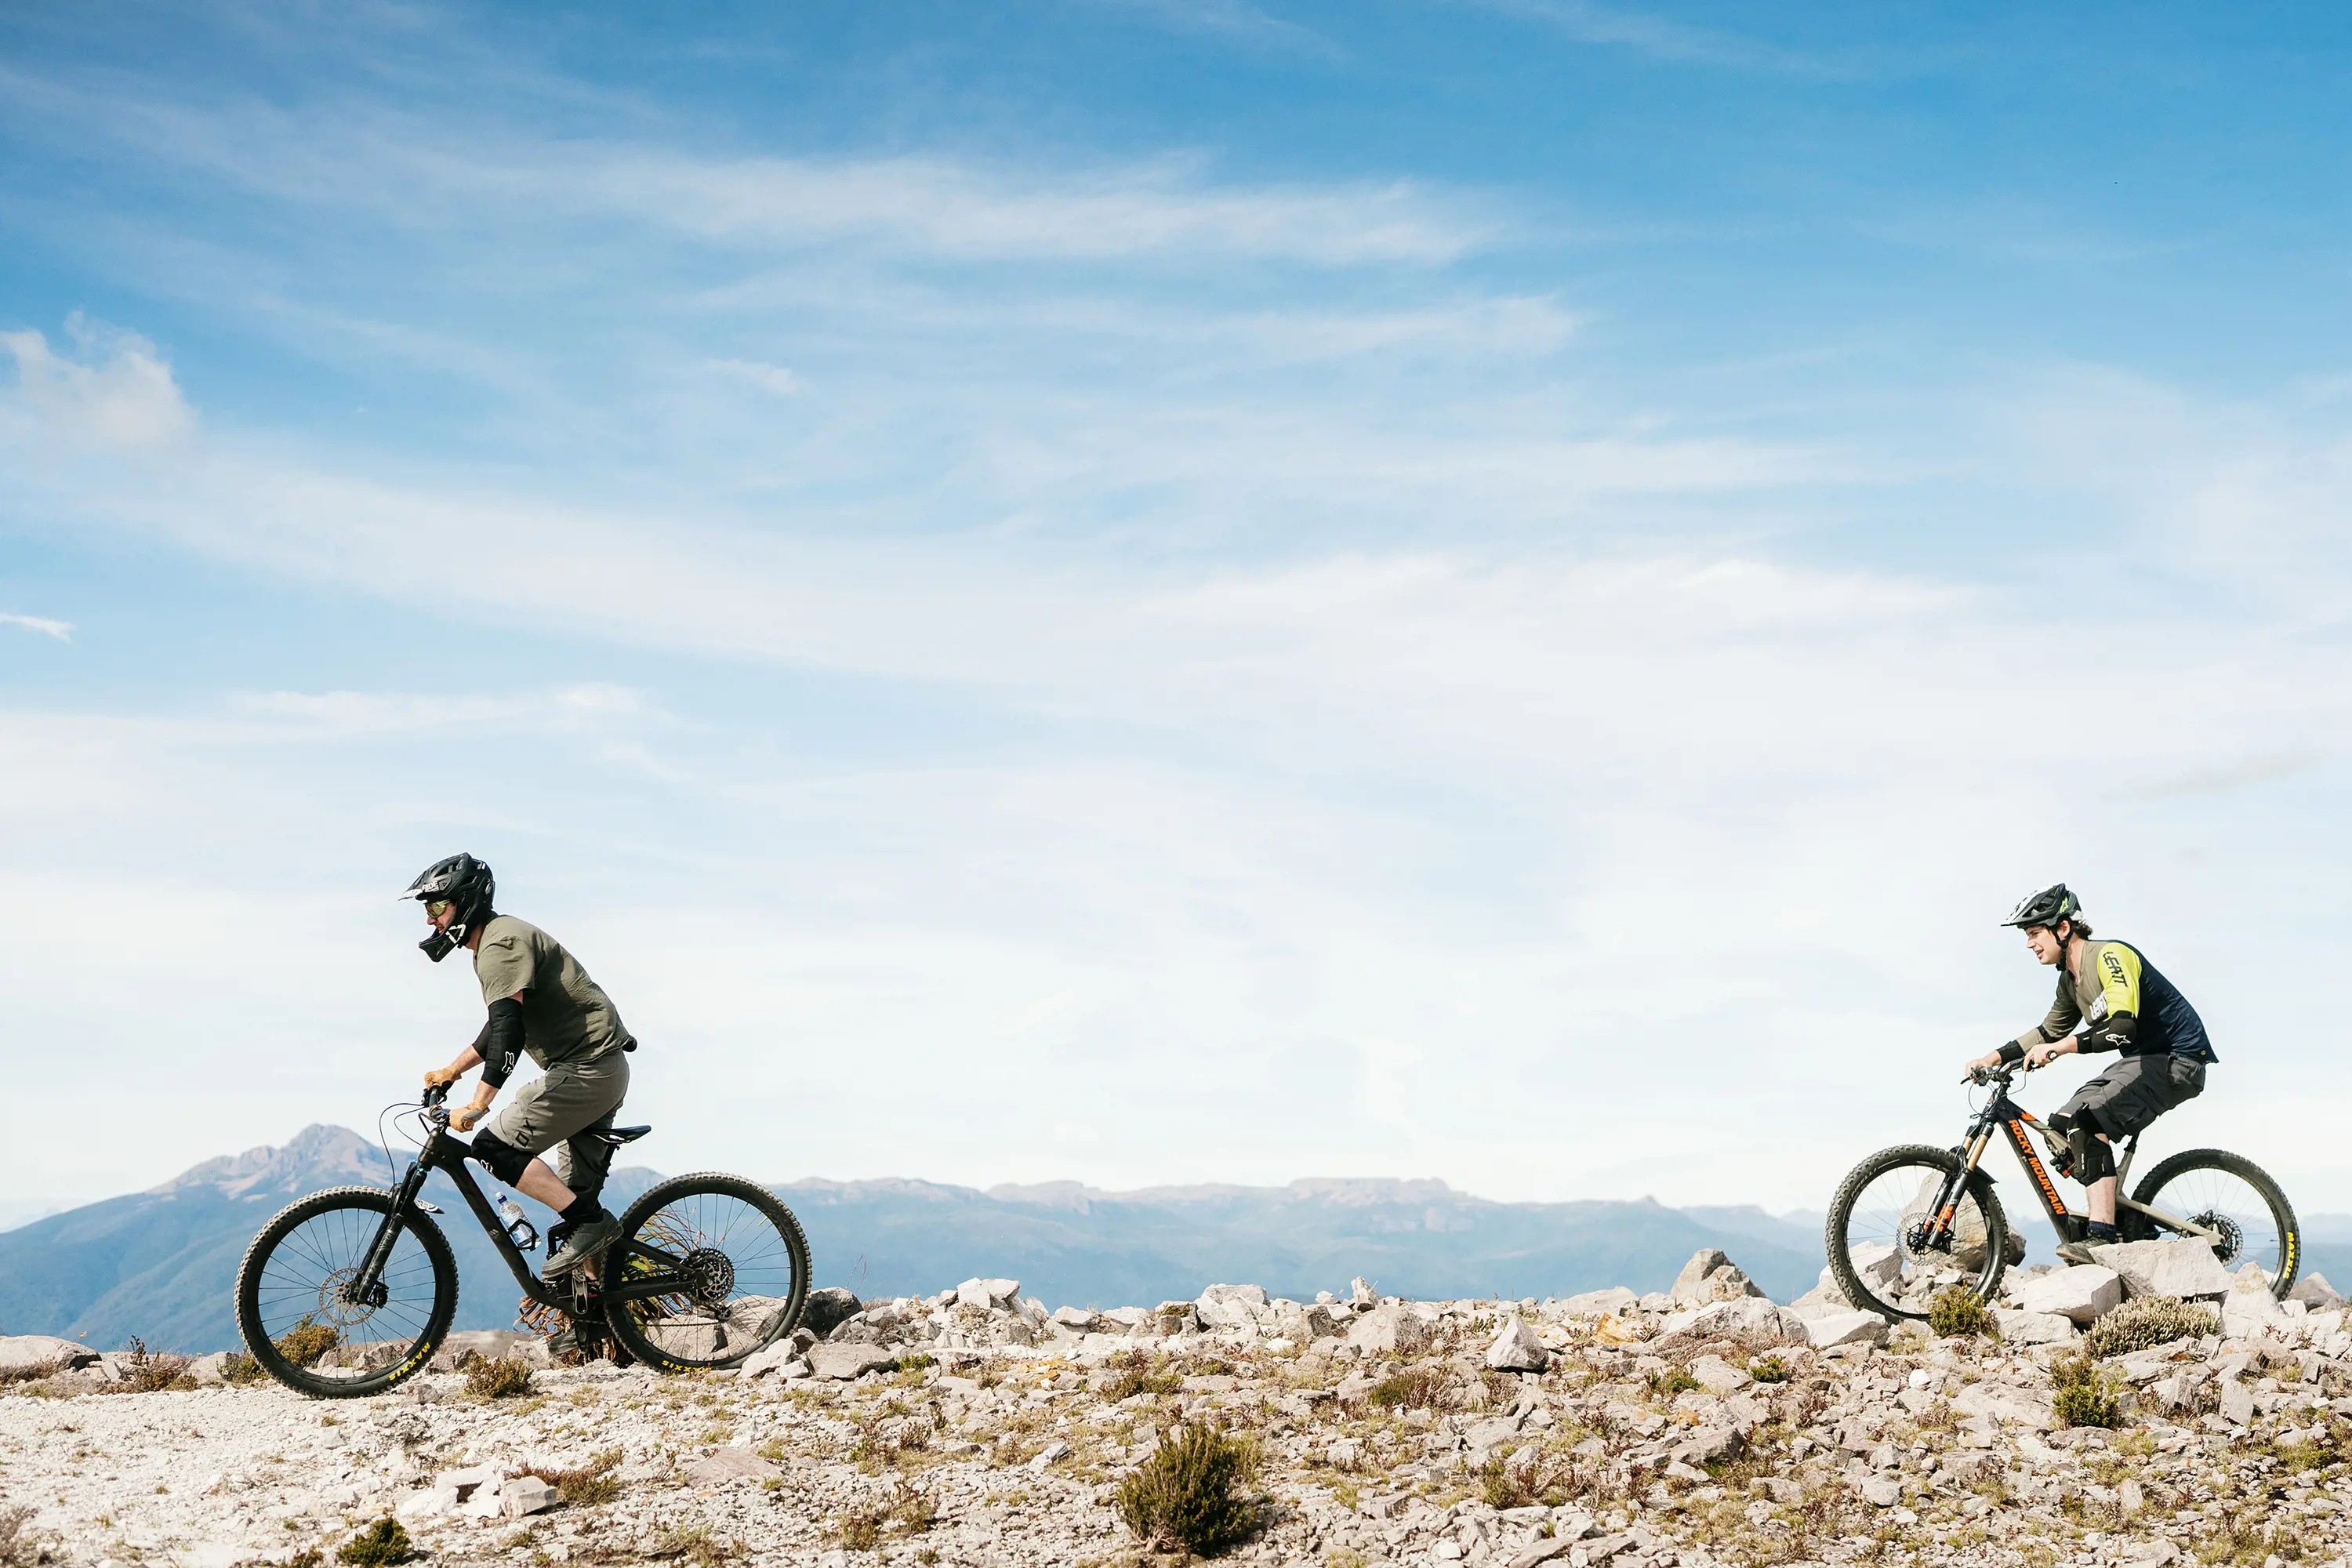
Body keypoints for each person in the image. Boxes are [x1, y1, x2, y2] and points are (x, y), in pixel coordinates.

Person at [404, 854, 637, 1279]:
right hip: (600, 1069)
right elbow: (500, 1024)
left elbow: (509, 1032)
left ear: (465, 902)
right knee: (574, 1202)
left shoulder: (499, 946)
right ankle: (594, 1307)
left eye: (436, 907)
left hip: (586, 1069)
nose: (430, 920)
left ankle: (593, 1224)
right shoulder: (496, 940)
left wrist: (479, 1104)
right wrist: (452, 1071)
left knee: (494, 1148)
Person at [1965, 884, 2217, 1265]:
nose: (2030, 944)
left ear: (2063, 928)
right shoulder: (2070, 981)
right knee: (2061, 1124)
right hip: (2142, 1061)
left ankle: (2102, 1235)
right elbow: (2046, 1032)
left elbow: (2122, 1028)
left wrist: (2061, 1048)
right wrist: (1990, 1058)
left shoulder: (2109, 956)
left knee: (2086, 1121)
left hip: (2177, 1059)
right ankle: (2115, 1210)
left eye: (2034, 933)